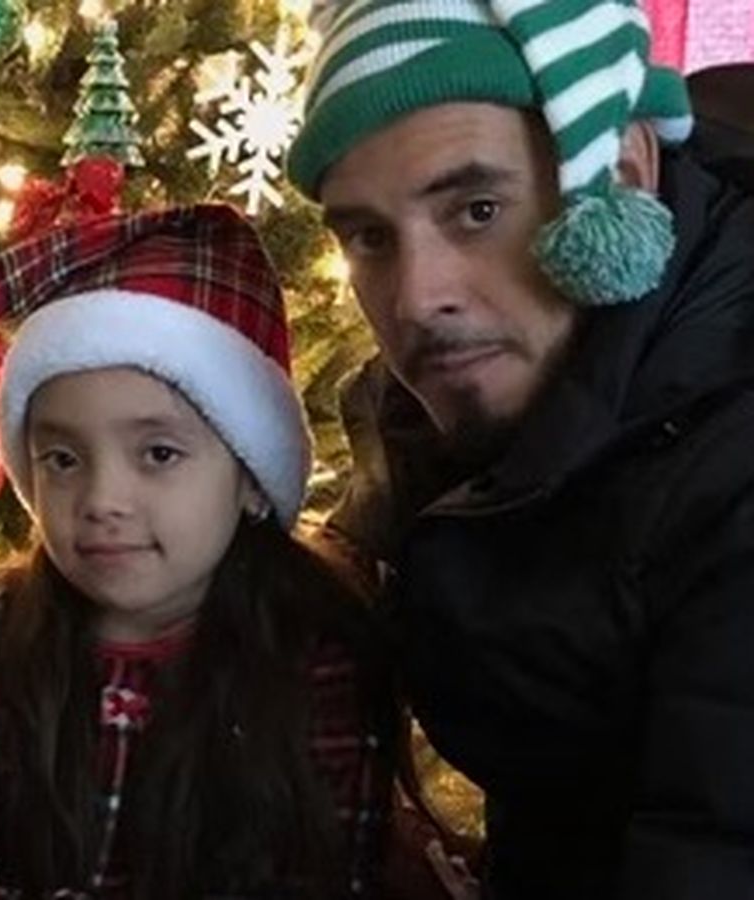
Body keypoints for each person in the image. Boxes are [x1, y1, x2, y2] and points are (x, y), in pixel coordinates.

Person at [285, 2, 754, 899]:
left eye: (477, 210)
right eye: (370, 237)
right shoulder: (447, 409)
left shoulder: (729, 461)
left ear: (620, 177)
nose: (417, 298)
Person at [0, 204, 402, 898]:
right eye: (63, 459)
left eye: (159, 453)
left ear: (251, 478)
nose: (103, 499)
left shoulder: (321, 658)